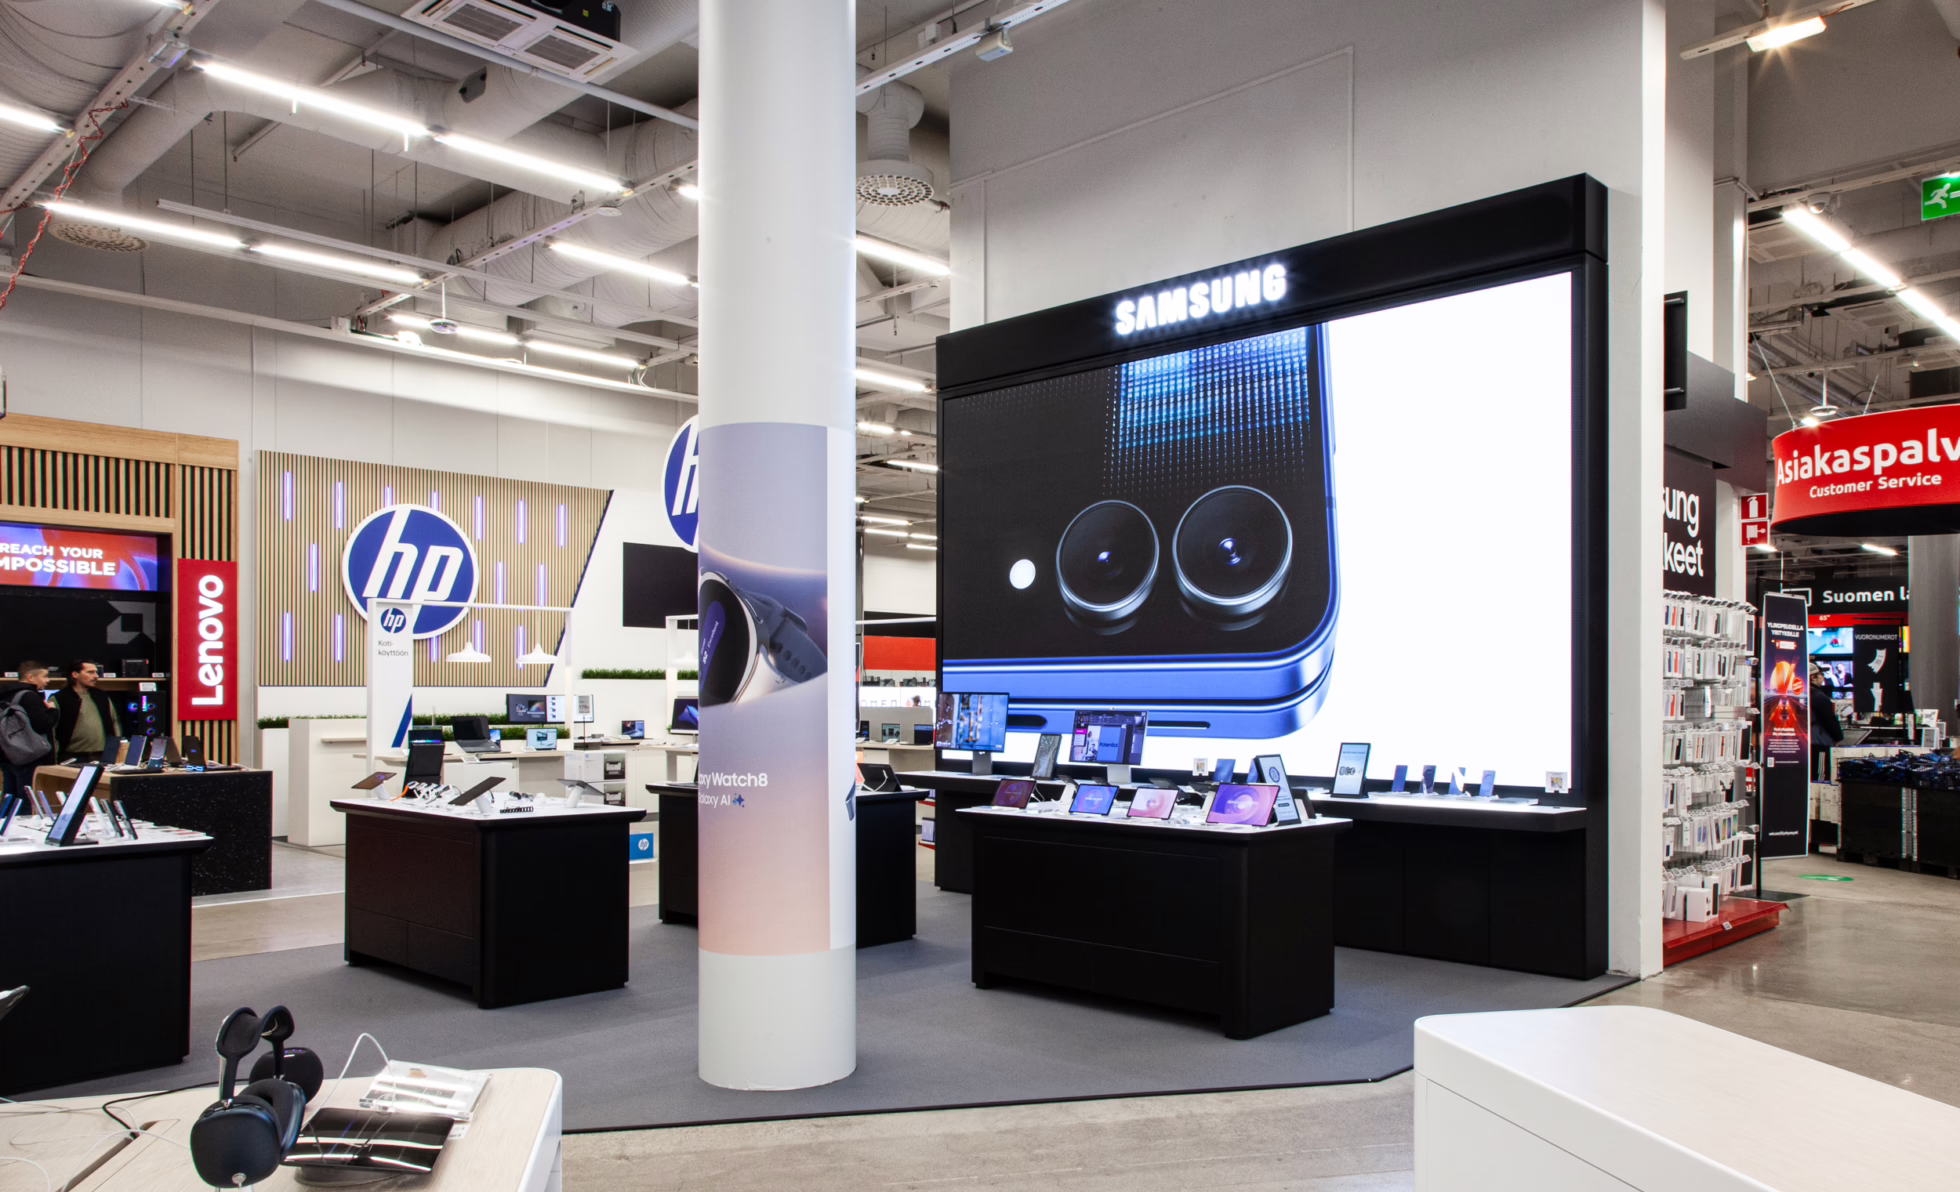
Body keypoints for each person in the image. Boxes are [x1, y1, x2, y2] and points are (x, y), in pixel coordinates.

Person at [1, 661, 58, 796]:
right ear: (30, 677)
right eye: (44, 676)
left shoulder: (7, 695)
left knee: (10, 797)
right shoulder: (29, 696)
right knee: (27, 799)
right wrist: (53, 711)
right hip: (29, 757)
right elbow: (42, 725)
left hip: (8, 754)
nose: (47, 680)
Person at [54, 659, 121, 764]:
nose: (96, 676)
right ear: (75, 674)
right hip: (72, 757)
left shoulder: (101, 696)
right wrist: (54, 756)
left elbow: (114, 722)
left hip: (102, 756)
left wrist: (117, 749)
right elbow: (52, 730)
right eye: (90, 672)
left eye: (96, 672)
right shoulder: (60, 698)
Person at [1810, 662, 1844, 778]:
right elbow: (1829, 720)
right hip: (1819, 743)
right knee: (1820, 776)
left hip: (1804, 744)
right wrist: (1838, 737)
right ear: (1813, 677)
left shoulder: (1801, 694)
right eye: (1821, 674)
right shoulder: (1818, 696)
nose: (1823, 678)